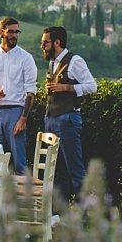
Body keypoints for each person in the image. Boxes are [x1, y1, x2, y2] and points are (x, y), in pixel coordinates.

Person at [40, 26, 96, 202]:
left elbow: (92, 86)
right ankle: (60, 213)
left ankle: (83, 213)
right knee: (57, 171)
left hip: (68, 119)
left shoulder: (75, 60)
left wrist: (66, 87)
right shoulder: (52, 63)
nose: (42, 46)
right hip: (51, 119)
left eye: (45, 42)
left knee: (75, 169)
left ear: (57, 42)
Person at [0, 18, 38, 174]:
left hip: (16, 112)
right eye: (11, 31)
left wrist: (23, 119)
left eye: (17, 32)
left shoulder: (26, 58)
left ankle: (22, 198)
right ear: (0, 32)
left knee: (19, 161)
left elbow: (31, 91)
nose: (14, 35)